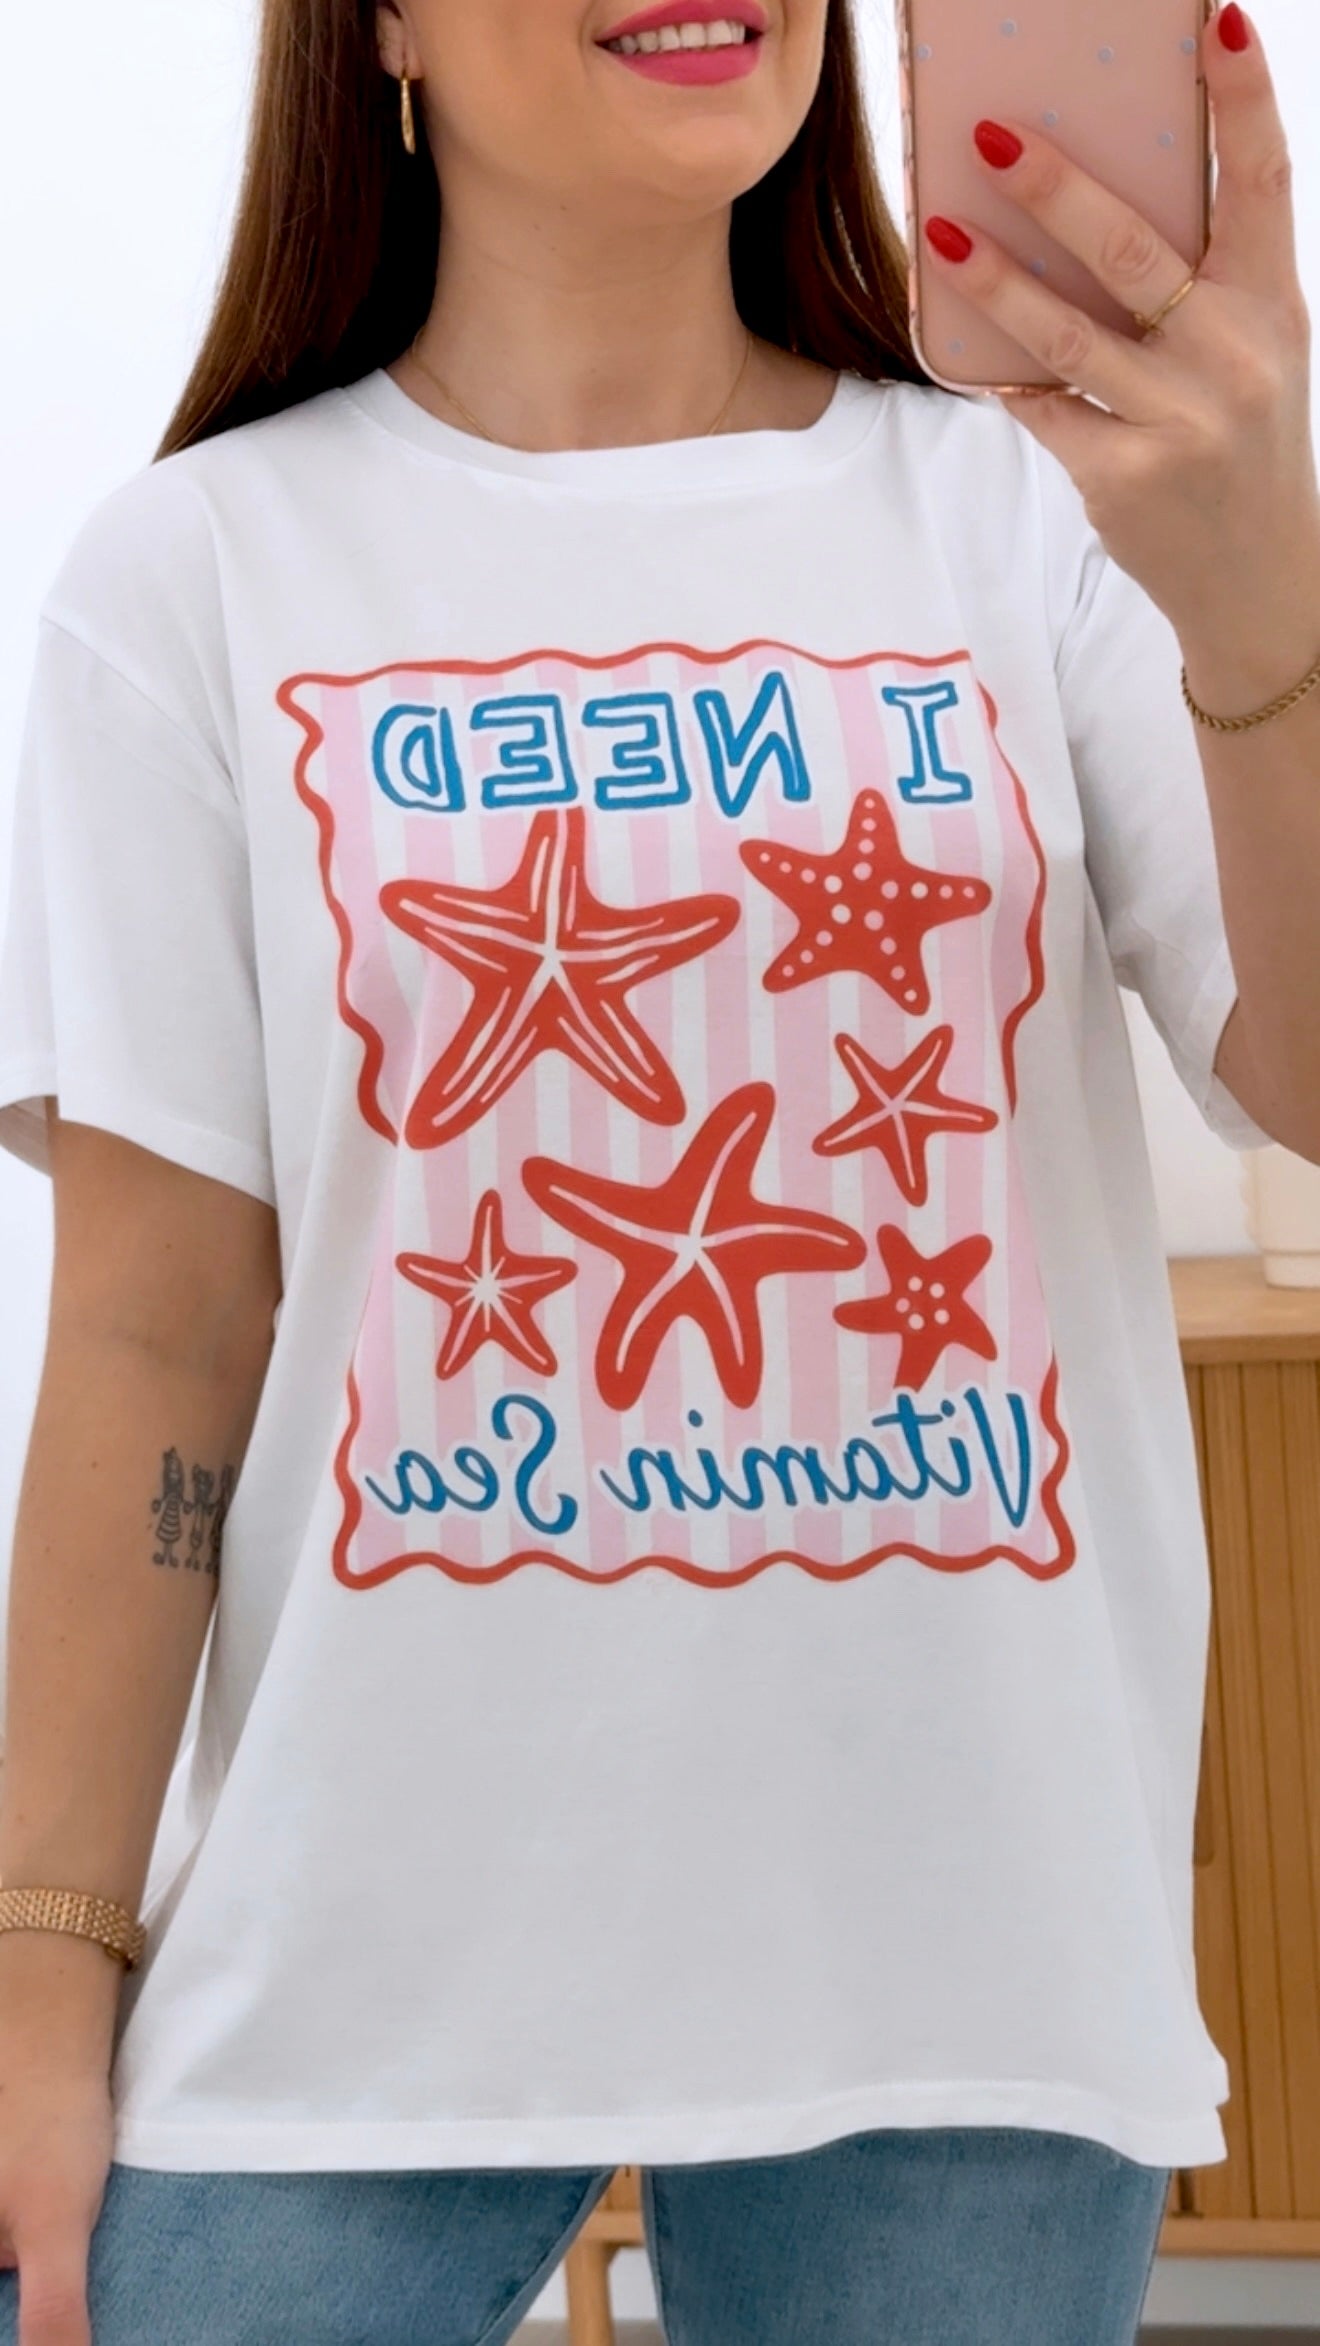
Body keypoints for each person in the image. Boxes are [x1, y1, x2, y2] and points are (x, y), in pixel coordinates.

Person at [1, 0, 1317, 2337]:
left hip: (974, 1964)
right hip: (363, 1952)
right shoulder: (191, 574)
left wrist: (1260, 617)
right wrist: (37, 1963)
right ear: (381, 24)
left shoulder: (1041, 506)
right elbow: (153, 1331)